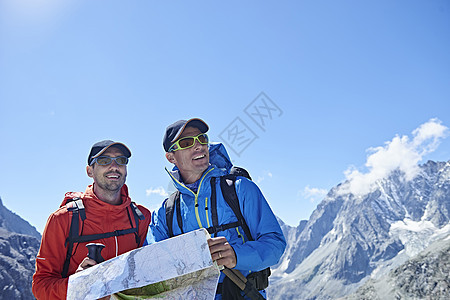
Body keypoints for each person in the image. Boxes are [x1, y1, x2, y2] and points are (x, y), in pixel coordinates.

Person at [149, 118, 286, 299]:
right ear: (171, 157)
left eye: (202, 139)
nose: (198, 146)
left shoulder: (240, 188)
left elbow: (275, 244)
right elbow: (151, 264)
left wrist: (237, 256)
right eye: (187, 142)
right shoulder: (164, 213)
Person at [32, 140, 151, 300]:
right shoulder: (62, 219)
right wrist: (77, 284)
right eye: (104, 161)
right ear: (90, 171)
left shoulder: (141, 217)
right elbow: (41, 287)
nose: (114, 166)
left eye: (121, 160)